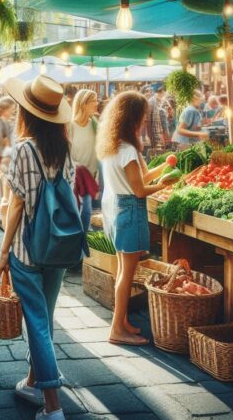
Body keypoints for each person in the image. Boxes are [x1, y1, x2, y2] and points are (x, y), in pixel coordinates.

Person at [0, 75, 74, 420]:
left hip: (27, 251)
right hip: (57, 248)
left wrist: (2, 254)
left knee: (37, 323)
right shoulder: (62, 147)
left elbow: (15, 206)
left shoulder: (23, 150)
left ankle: (53, 405)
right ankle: (33, 381)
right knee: (46, 318)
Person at [96, 91, 178, 346]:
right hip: (130, 210)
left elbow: (140, 178)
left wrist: (164, 167)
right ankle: (116, 330)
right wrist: (165, 184)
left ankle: (121, 322)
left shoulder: (113, 146)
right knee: (126, 275)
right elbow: (140, 190)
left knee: (123, 270)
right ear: (131, 118)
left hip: (118, 209)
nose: (144, 122)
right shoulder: (128, 150)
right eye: (142, 117)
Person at [68, 89, 100, 230]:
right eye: (93, 101)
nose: (96, 103)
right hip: (75, 178)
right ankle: (78, 242)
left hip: (90, 177)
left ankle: (82, 242)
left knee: (86, 212)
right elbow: (65, 153)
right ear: (83, 104)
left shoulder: (94, 123)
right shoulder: (70, 126)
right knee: (82, 211)